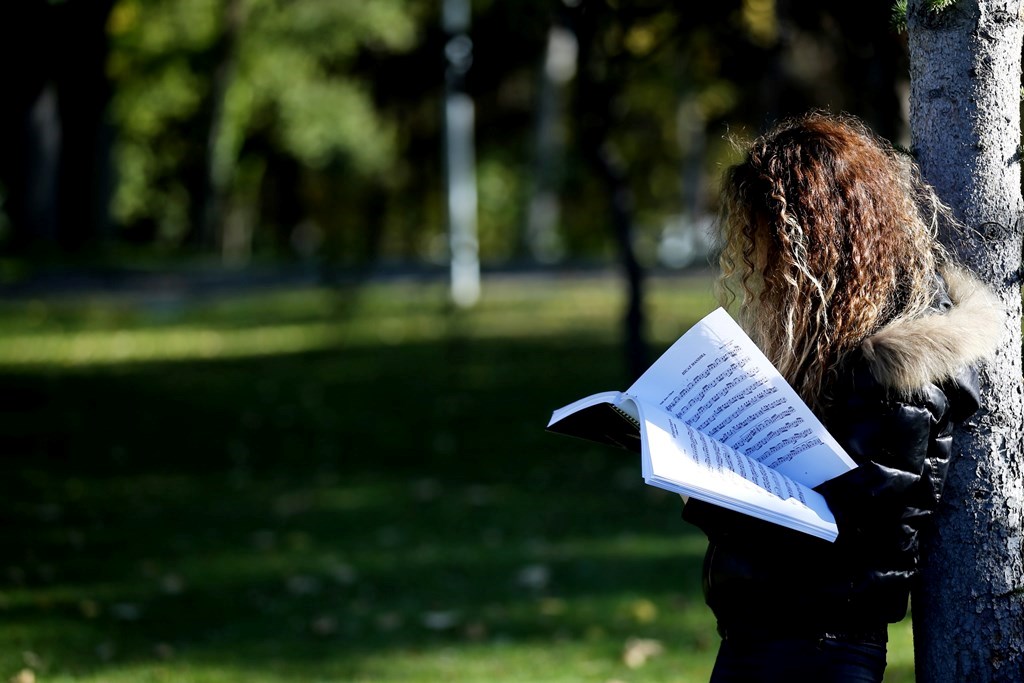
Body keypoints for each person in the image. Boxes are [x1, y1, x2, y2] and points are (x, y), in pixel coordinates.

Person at [681, 112, 1004, 682]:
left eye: (775, 241)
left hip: (818, 647)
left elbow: (846, 530)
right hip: (768, 635)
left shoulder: (895, 364)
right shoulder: (831, 344)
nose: (767, 265)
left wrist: (716, 486)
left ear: (825, 240)